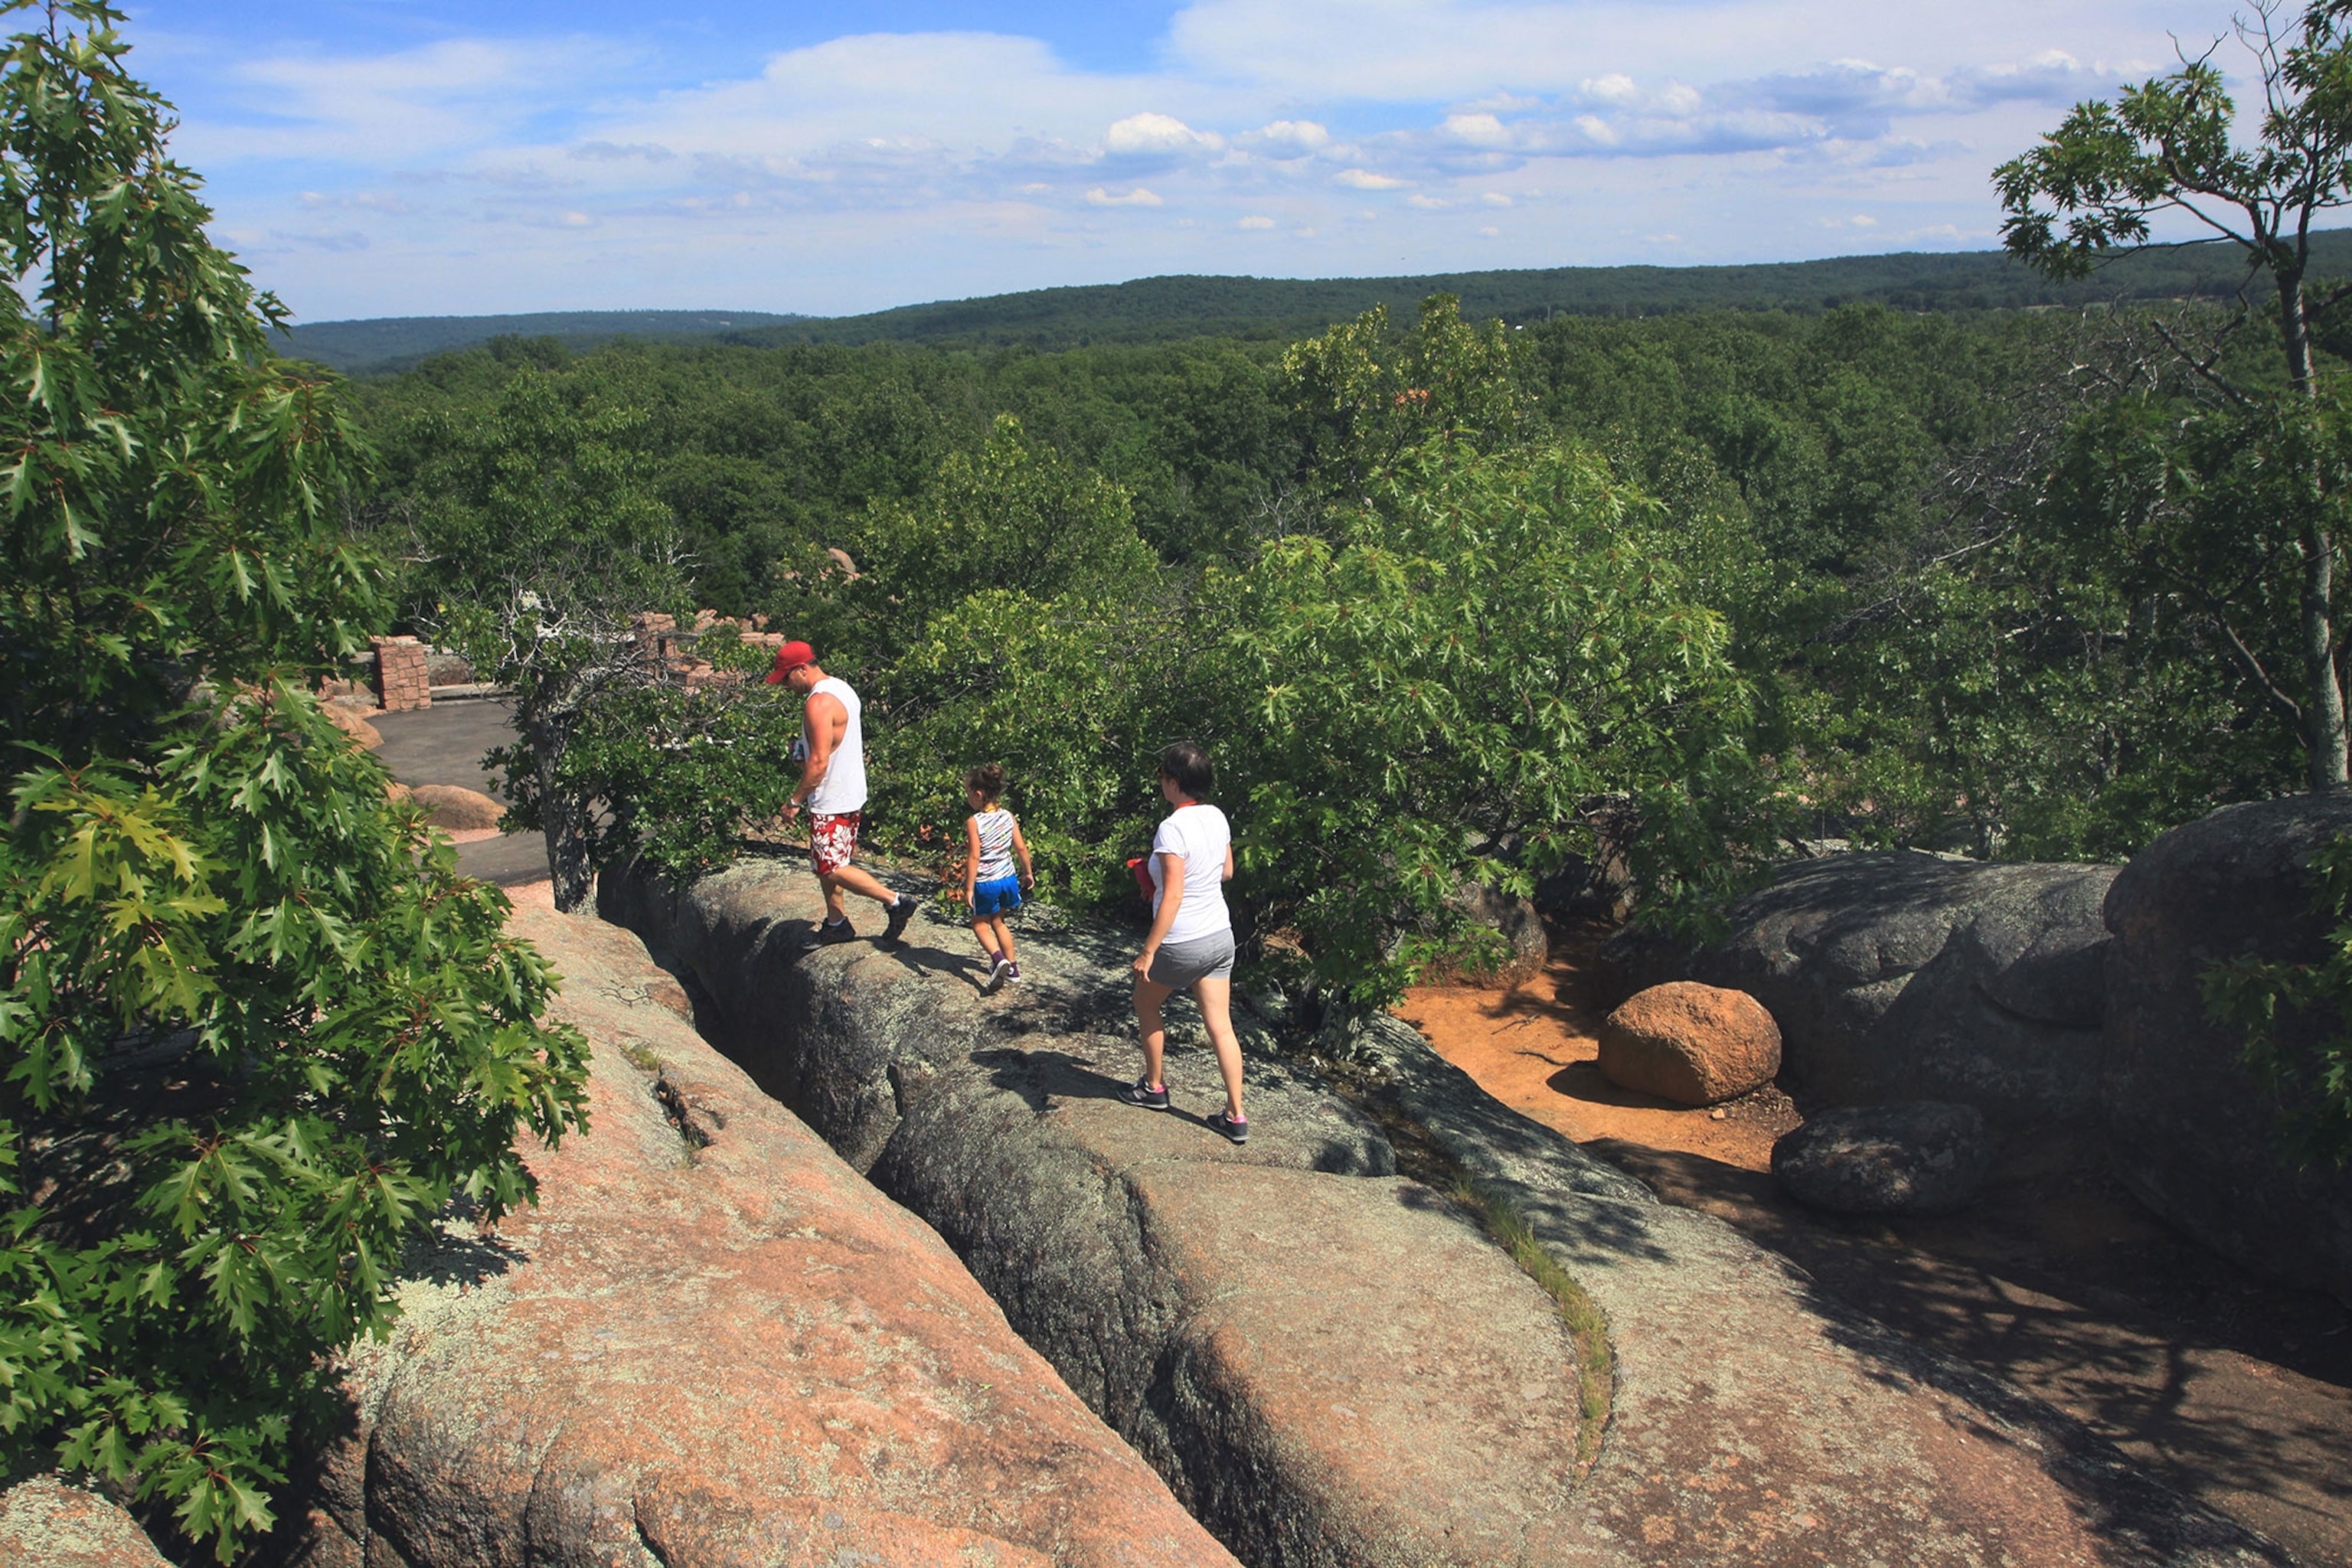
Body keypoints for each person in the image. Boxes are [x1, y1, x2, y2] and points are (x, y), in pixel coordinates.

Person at [1125, 740, 1246, 1143]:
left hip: (1183, 940)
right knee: (1221, 1027)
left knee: (1145, 1002)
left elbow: (1174, 895)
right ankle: (1235, 1115)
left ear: (1174, 782)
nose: (1161, 782)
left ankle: (1154, 1088)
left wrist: (1148, 951)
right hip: (1219, 936)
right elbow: (1226, 871)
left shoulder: (1172, 827)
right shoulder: (1217, 816)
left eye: (1163, 776)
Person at [767, 641, 916, 945]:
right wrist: (802, 752)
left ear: (802, 669)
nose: (784, 685)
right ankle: (837, 923)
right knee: (830, 861)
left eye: (786, 678)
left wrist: (794, 801)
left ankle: (896, 901)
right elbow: (832, 745)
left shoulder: (818, 702)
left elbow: (820, 763)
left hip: (831, 797)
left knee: (829, 866)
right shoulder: (842, 689)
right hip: (849, 791)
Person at [961, 763, 1034, 992]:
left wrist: (969, 888)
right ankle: (1013, 968)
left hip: (985, 882)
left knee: (980, 924)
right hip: (1008, 879)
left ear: (978, 794)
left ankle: (998, 958)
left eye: (969, 794)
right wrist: (1028, 872)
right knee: (999, 921)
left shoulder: (975, 822)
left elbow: (974, 857)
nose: (968, 799)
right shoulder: (1008, 817)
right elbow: (1021, 848)